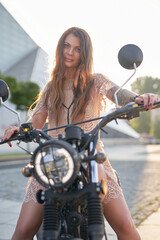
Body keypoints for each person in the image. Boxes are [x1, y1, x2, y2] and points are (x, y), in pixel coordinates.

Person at [2, 27, 160, 240]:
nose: (70, 52)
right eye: (66, 46)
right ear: (60, 48)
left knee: (125, 226)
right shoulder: (51, 88)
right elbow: (36, 121)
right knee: (22, 231)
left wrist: (139, 98)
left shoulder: (96, 81)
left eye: (77, 49)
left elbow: (119, 94)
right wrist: (18, 129)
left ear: (84, 54)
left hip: (91, 157)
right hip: (54, 159)